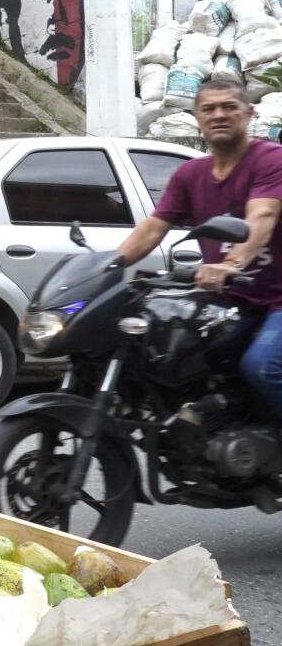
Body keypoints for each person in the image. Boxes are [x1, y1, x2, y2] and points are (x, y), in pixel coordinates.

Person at [111, 78, 282, 422]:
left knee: (262, 366)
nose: (219, 115)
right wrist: (105, 266)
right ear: (197, 117)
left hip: (278, 302)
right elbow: (153, 228)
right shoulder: (190, 175)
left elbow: (261, 217)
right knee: (175, 354)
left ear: (249, 114)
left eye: (229, 107)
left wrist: (230, 263)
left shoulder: (271, 160)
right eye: (209, 109)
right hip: (234, 303)